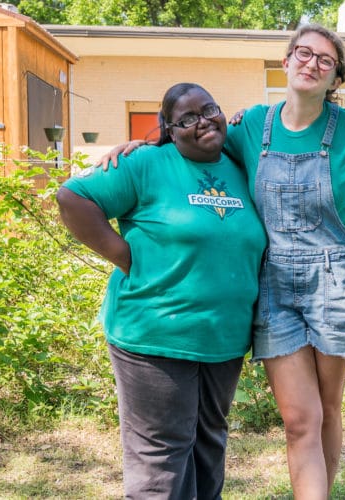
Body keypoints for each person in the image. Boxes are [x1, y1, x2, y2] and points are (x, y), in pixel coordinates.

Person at [98, 25, 345, 499]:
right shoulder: (251, 125)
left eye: (325, 59)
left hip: (335, 279)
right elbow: (197, 141)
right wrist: (141, 146)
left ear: (337, 76)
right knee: (301, 419)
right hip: (273, 281)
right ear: (286, 61)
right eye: (303, 52)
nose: (311, 63)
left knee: (327, 410)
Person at [57, 83, 267, 499]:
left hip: (222, 339)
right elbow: (73, 197)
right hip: (155, 334)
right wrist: (125, 256)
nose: (202, 121)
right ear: (170, 129)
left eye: (209, 109)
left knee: (209, 444)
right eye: (187, 119)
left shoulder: (241, 164)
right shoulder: (145, 164)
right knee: (162, 456)